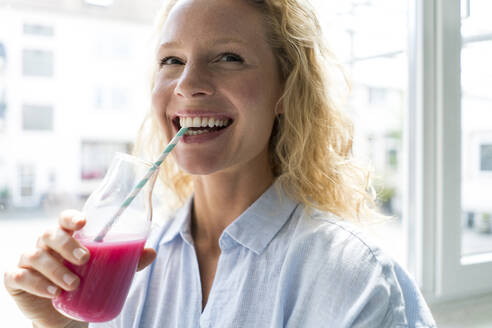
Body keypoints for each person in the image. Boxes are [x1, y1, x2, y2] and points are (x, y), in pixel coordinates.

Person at [4, 0, 437, 327]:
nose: (188, 84)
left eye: (228, 57)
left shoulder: (352, 277)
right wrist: (64, 324)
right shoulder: (124, 274)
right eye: (171, 60)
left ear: (285, 90)